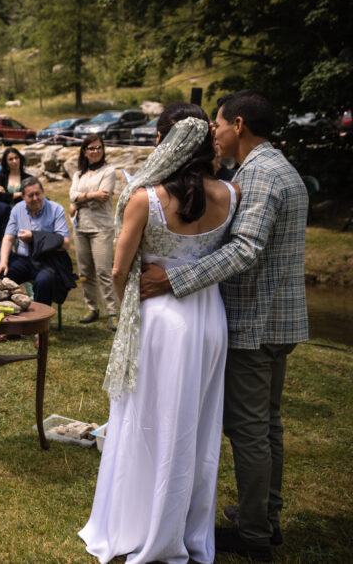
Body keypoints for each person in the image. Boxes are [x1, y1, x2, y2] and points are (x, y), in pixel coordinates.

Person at [139, 91, 308, 561]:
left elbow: (245, 249)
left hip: (258, 320)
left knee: (249, 428)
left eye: (218, 123)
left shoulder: (258, 175)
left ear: (238, 124)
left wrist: (175, 278)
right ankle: (265, 514)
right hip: (282, 319)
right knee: (267, 424)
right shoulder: (277, 167)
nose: (213, 131)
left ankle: (255, 533)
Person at [79, 104, 238, 564]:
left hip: (160, 319)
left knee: (148, 417)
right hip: (209, 317)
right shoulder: (231, 193)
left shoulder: (144, 198)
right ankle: (185, 527)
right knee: (195, 423)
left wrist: (131, 302)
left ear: (170, 145)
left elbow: (118, 269)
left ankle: (135, 523)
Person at [0, 177, 73, 308]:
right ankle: (9, 317)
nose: (35, 198)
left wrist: (34, 238)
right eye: (30, 195)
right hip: (23, 259)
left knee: (44, 281)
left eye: (38, 194)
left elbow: (65, 243)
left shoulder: (56, 209)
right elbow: (8, 238)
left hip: (47, 260)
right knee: (1, 277)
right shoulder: (17, 209)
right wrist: (3, 262)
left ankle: (40, 322)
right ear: (23, 196)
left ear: (43, 192)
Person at [70, 135, 118, 329]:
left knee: (103, 271)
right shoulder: (78, 174)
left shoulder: (109, 171)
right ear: (84, 151)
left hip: (101, 228)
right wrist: (91, 196)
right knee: (85, 271)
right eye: (91, 148)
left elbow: (104, 196)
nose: (95, 151)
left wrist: (80, 200)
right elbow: (72, 196)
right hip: (81, 227)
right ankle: (92, 307)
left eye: (99, 148)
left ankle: (112, 311)